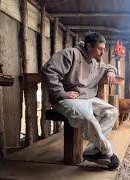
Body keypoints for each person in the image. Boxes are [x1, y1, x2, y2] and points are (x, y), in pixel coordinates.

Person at [41, 32, 119, 169]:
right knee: (88, 118)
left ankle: (92, 151)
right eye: (100, 49)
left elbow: (108, 66)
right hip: (67, 99)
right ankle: (108, 152)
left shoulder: (96, 62)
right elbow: (48, 71)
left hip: (88, 98)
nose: (103, 52)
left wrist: (111, 71)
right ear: (89, 46)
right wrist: (62, 93)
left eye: (104, 48)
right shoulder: (70, 54)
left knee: (112, 112)